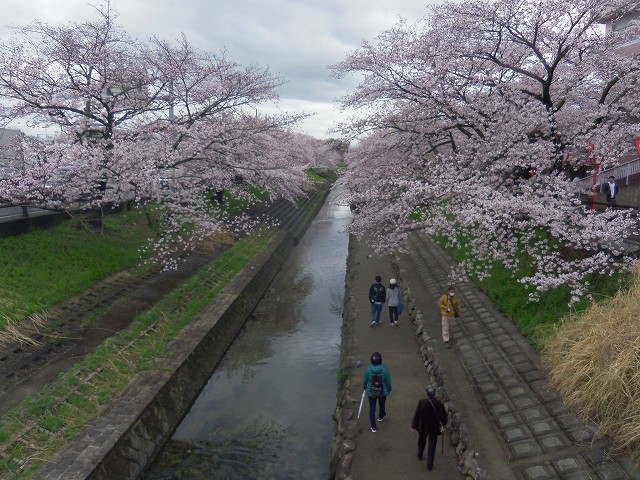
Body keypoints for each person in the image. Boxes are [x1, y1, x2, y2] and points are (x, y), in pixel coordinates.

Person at [411, 385, 448, 472]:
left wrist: (414, 425)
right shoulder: (439, 404)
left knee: (421, 441)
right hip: (434, 428)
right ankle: (429, 466)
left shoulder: (422, 402)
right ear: (434, 394)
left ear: (427, 394)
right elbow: (444, 417)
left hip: (422, 426)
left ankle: (420, 455)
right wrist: (444, 424)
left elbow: (417, 414)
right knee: (432, 446)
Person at [362, 351, 392, 433]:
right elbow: (388, 382)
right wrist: (389, 390)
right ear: (381, 360)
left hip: (371, 392)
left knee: (372, 408)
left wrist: (364, 387)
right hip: (382, 392)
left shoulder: (368, 369)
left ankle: (373, 427)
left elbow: (365, 380)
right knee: (382, 405)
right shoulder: (385, 370)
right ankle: (381, 417)